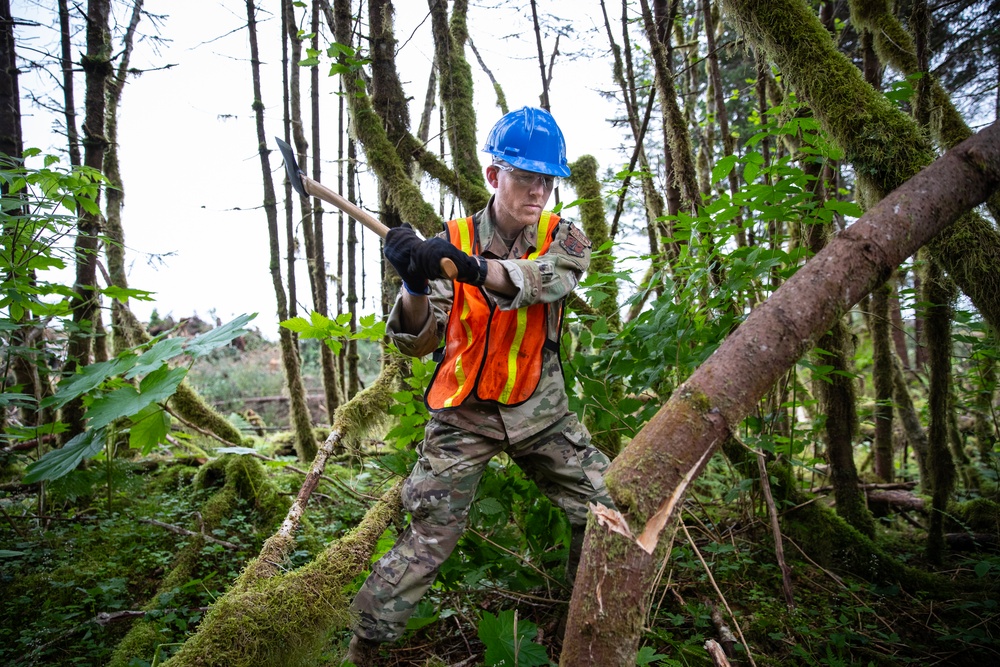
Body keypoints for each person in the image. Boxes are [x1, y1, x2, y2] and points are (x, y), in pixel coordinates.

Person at [344, 106, 615, 666]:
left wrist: (472, 270)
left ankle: (586, 631)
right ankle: (364, 647)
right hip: (463, 413)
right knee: (428, 534)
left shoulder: (565, 238)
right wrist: (414, 283)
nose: (538, 191)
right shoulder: (452, 240)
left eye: (547, 180)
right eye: (525, 178)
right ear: (496, 176)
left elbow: (544, 282)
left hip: (541, 412)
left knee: (607, 511)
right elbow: (417, 343)